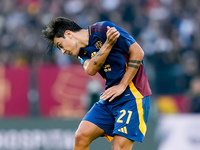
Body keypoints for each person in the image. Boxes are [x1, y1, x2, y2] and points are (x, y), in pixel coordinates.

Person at [42, 17, 152, 150]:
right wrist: (107, 45)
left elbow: (138, 52)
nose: (63, 52)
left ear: (69, 34)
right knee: (81, 136)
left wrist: (122, 85)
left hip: (133, 96)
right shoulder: (82, 51)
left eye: (61, 45)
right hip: (111, 96)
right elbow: (90, 69)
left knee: (119, 147)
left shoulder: (103, 29)